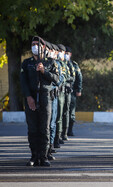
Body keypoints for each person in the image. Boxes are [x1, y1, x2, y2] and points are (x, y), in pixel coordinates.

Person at [20, 36, 59, 166]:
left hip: (45, 97)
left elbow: (56, 79)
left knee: (44, 128)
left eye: (37, 44)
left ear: (43, 47)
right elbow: (23, 82)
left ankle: (43, 156)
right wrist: (28, 97)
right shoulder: (27, 63)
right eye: (33, 44)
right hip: (31, 97)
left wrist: (44, 71)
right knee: (32, 129)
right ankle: (33, 156)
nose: (34, 46)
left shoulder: (50, 62)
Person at [66, 46, 83, 136]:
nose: (65, 55)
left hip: (71, 91)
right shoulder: (58, 64)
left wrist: (79, 89)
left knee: (71, 112)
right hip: (62, 91)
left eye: (67, 54)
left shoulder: (74, 65)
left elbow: (79, 77)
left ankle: (70, 130)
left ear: (70, 54)